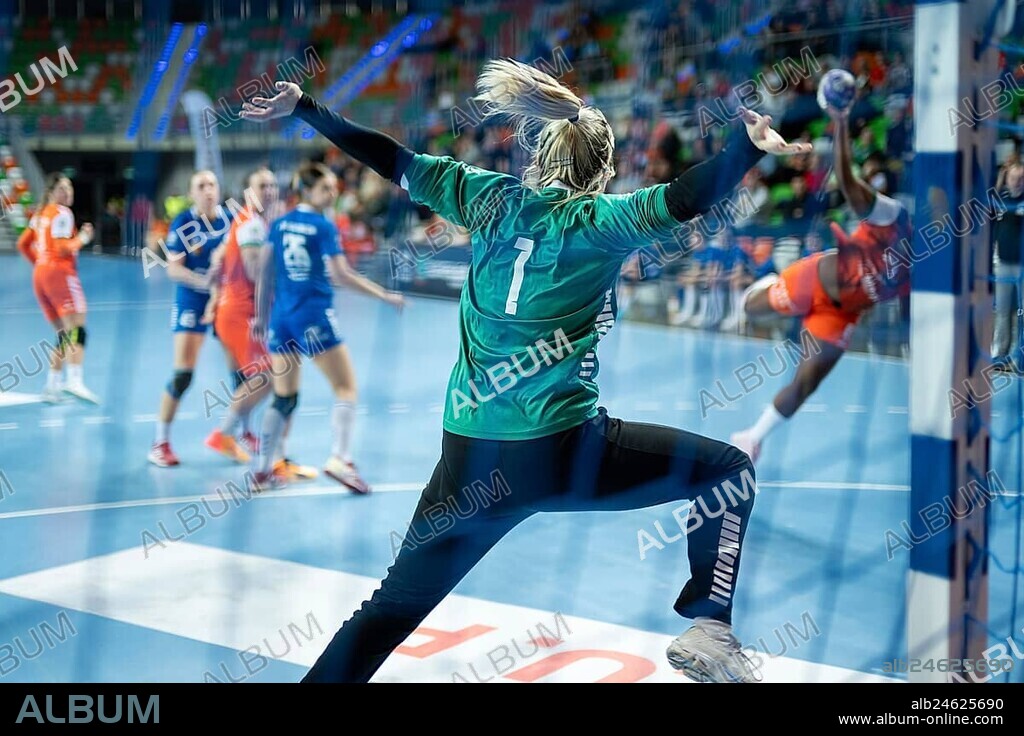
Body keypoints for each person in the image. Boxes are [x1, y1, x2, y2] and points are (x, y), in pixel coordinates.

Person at [240, 61, 808, 683]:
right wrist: (745, 148)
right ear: (602, 170)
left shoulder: (487, 198)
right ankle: (709, 628)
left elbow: (390, 158)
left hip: (467, 460)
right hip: (561, 453)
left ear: (541, 157)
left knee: (388, 612)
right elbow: (685, 197)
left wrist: (307, 108)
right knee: (727, 471)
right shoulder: (600, 222)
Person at [730, 89, 913, 463]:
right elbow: (847, 180)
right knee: (751, 310)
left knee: (806, 383)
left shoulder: (929, 275)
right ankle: (769, 282)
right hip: (813, 280)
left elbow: (910, 315)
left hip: (840, 316)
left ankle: (751, 436)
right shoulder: (893, 218)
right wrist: (842, 121)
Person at [249, 161, 405, 492]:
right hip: (313, 317)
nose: (332, 193)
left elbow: (264, 272)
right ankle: (341, 459)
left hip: (281, 319)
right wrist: (384, 295)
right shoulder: (322, 226)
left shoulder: (279, 224)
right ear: (306, 191)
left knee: (284, 397)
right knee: (346, 387)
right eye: (325, 188)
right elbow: (340, 274)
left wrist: (261, 318)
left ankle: (262, 470)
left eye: (334, 187)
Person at [148, 171, 233, 467]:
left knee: (242, 373)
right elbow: (174, 269)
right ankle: (160, 443)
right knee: (183, 374)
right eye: (201, 186)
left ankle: (240, 433)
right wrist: (205, 283)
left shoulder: (231, 220)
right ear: (191, 193)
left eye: (212, 185)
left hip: (225, 301)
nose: (208, 190)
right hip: (192, 301)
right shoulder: (184, 222)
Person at [16, 173, 97, 403]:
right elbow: (62, 249)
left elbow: (22, 244)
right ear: (51, 192)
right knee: (78, 328)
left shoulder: (40, 214)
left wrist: (41, 264)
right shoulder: (62, 213)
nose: (68, 192)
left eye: (69, 187)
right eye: (62, 188)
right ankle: (74, 380)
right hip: (60, 273)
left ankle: (51, 386)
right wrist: (83, 238)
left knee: (63, 332)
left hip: (40, 276)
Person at [990, 161, 1024, 370]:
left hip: (1022, 266)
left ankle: (1021, 357)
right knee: (1002, 311)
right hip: (1002, 262)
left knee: (1022, 312)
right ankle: (1000, 355)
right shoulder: (1000, 199)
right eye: (1013, 178)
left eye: (1021, 178)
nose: (1017, 182)